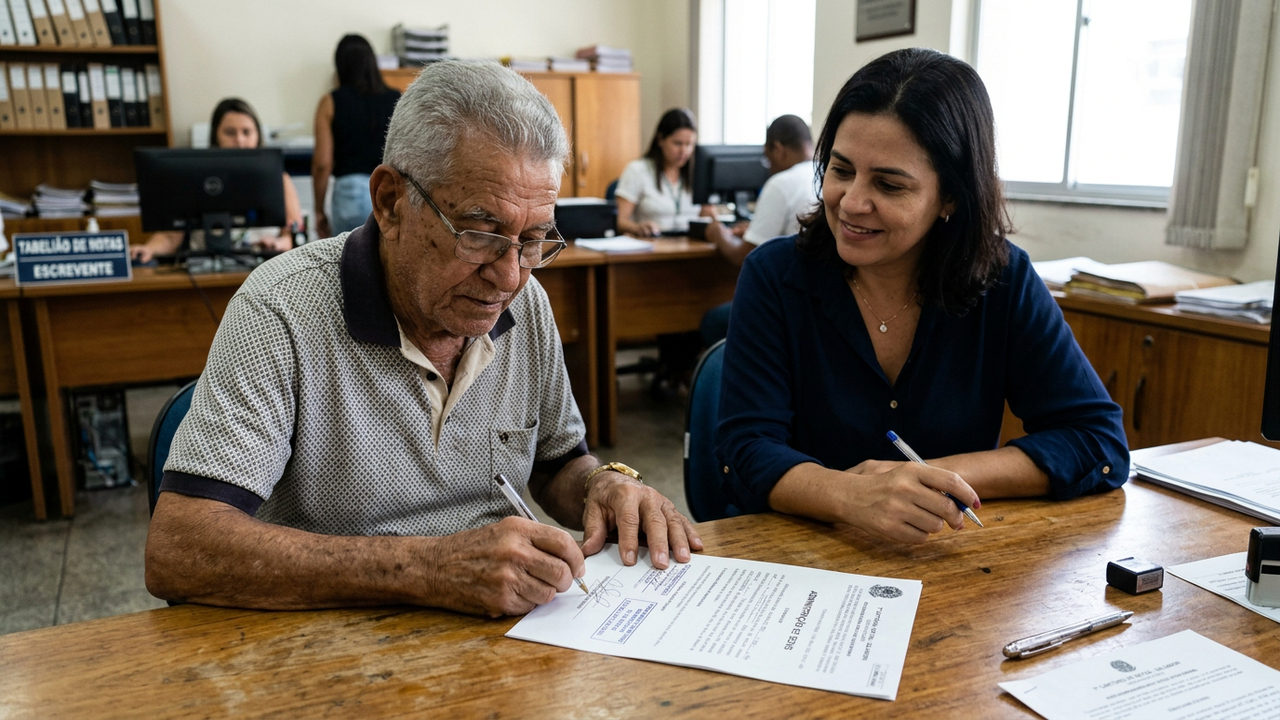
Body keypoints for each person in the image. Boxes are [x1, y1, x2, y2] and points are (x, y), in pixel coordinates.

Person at [145, 61, 701, 617]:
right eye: (480, 234)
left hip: (505, 629)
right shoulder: (281, 309)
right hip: (333, 638)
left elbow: (556, 463)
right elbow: (180, 547)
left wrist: (601, 485)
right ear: (391, 202)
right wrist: (427, 569)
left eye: (533, 240)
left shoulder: (525, 302)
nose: (510, 276)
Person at [714, 48, 1128, 545]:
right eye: (840, 170)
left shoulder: (1002, 278)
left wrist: (928, 478)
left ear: (950, 196)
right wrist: (850, 495)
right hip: (802, 557)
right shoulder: (775, 275)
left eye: (889, 185)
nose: (851, 202)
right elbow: (744, 451)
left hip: (950, 557)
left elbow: (1097, 441)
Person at [130, 98, 304, 262]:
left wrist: (279, 244)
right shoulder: (193, 177)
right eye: (230, 132)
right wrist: (149, 249)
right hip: (206, 267)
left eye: (247, 132)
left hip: (263, 266)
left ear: (257, 135)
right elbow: (170, 236)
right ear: (216, 136)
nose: (239, 140)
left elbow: (291, 235)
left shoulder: (279, 179)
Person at [701, 114, 816, 344]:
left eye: (767, 158)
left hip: (785, 303)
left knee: (712, 322)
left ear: (778, 149)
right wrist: (754, 229)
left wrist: (718, 233)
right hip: (816, 301)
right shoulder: (828, 174)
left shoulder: (781, 183)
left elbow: (743, 256)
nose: (768, 166)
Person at [312, 34, 401, 238]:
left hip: (349, 194)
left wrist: (318, 210)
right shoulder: (397, 99)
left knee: (350, 255)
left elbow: (322, 164)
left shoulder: (330, 102)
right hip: (389, 191)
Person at [615, 108, 711, 236]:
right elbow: (619, 221)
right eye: (677, 143)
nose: (684, 151)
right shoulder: (638, 170)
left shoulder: (697, 174)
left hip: (691, 243)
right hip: (653, 243)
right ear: (660, 139)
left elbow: (705, 215)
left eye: (689, 144)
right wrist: (637, 228)